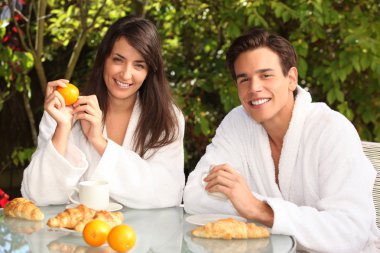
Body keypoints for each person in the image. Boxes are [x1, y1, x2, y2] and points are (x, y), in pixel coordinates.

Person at [183, 28, 380, 252]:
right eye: (244, 79)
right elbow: (194, 194)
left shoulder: (331, 129)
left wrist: (259, 208)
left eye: (266, 75)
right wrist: (245, 204)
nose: (254, 88)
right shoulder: (237, 123)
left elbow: (349, 232)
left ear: (291, 78)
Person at [21, 16, 185, 209]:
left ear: (149, 71)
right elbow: (37, 195)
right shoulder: (64, 110)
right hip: (74, 234)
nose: (125, 74)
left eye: (139, 65)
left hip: (138, 237)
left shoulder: (167, 118)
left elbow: (167, 193)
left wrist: (99, 142)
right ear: (104, 59)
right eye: (118, 60)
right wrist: (63, 128)